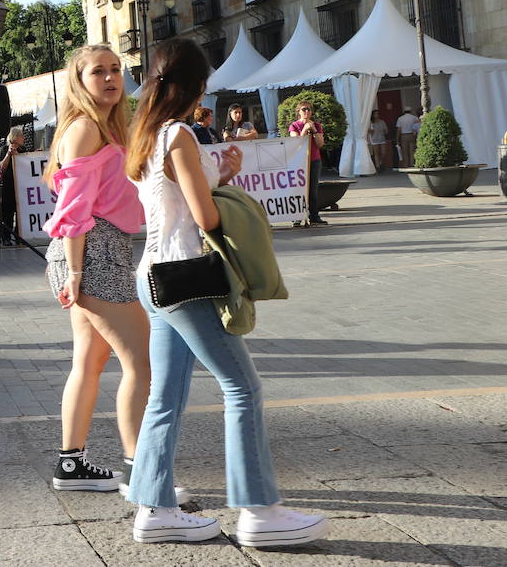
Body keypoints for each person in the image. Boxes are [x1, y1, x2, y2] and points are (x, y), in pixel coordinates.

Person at [125, 38, 328, 547]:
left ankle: (154, 508)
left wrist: (220, 170)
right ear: (197, 86)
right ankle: (260, 511)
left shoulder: (147, 134)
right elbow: (205, 215)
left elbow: (174, 194)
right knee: (243, 387)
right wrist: (229, 189)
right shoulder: (179, 136)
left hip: (153, 277)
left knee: (165, 397)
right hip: (187, 277)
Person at [42, 45, 149, 495]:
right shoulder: (85, 130)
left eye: (115, 69)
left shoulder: (110, 128)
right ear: (79, 82)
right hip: (92, 254)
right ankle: (143, 476)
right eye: (97, 72)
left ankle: (71, 464)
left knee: (89, 362)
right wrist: (77, 273)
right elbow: (73, 211)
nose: (109, 78)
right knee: (144, 365)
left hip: (100, 252)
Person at [288, 101, 328, 226]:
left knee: (313, 189)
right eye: (304, 109)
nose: (307, 112)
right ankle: (297, 217)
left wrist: (314, 130)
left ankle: (314, 216)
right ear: (299, 111)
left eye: (309, 110)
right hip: (299, 162)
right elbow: (297, 143)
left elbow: (320, 144)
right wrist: (304, 130)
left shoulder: (316, 125)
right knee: (298, 189)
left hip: (314, 160)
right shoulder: (294, 126)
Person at [0, 126, 29, 244]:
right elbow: (1, 167)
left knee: (20, 212)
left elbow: (27, 165)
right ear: (15, 137)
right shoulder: (4, 149)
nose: (23, 138)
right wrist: (9, 154)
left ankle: (18, 236)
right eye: (21, 136)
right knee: (8, 212)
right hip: (8, 185)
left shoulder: (23, 149)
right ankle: (6, 237)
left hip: (21, 185)